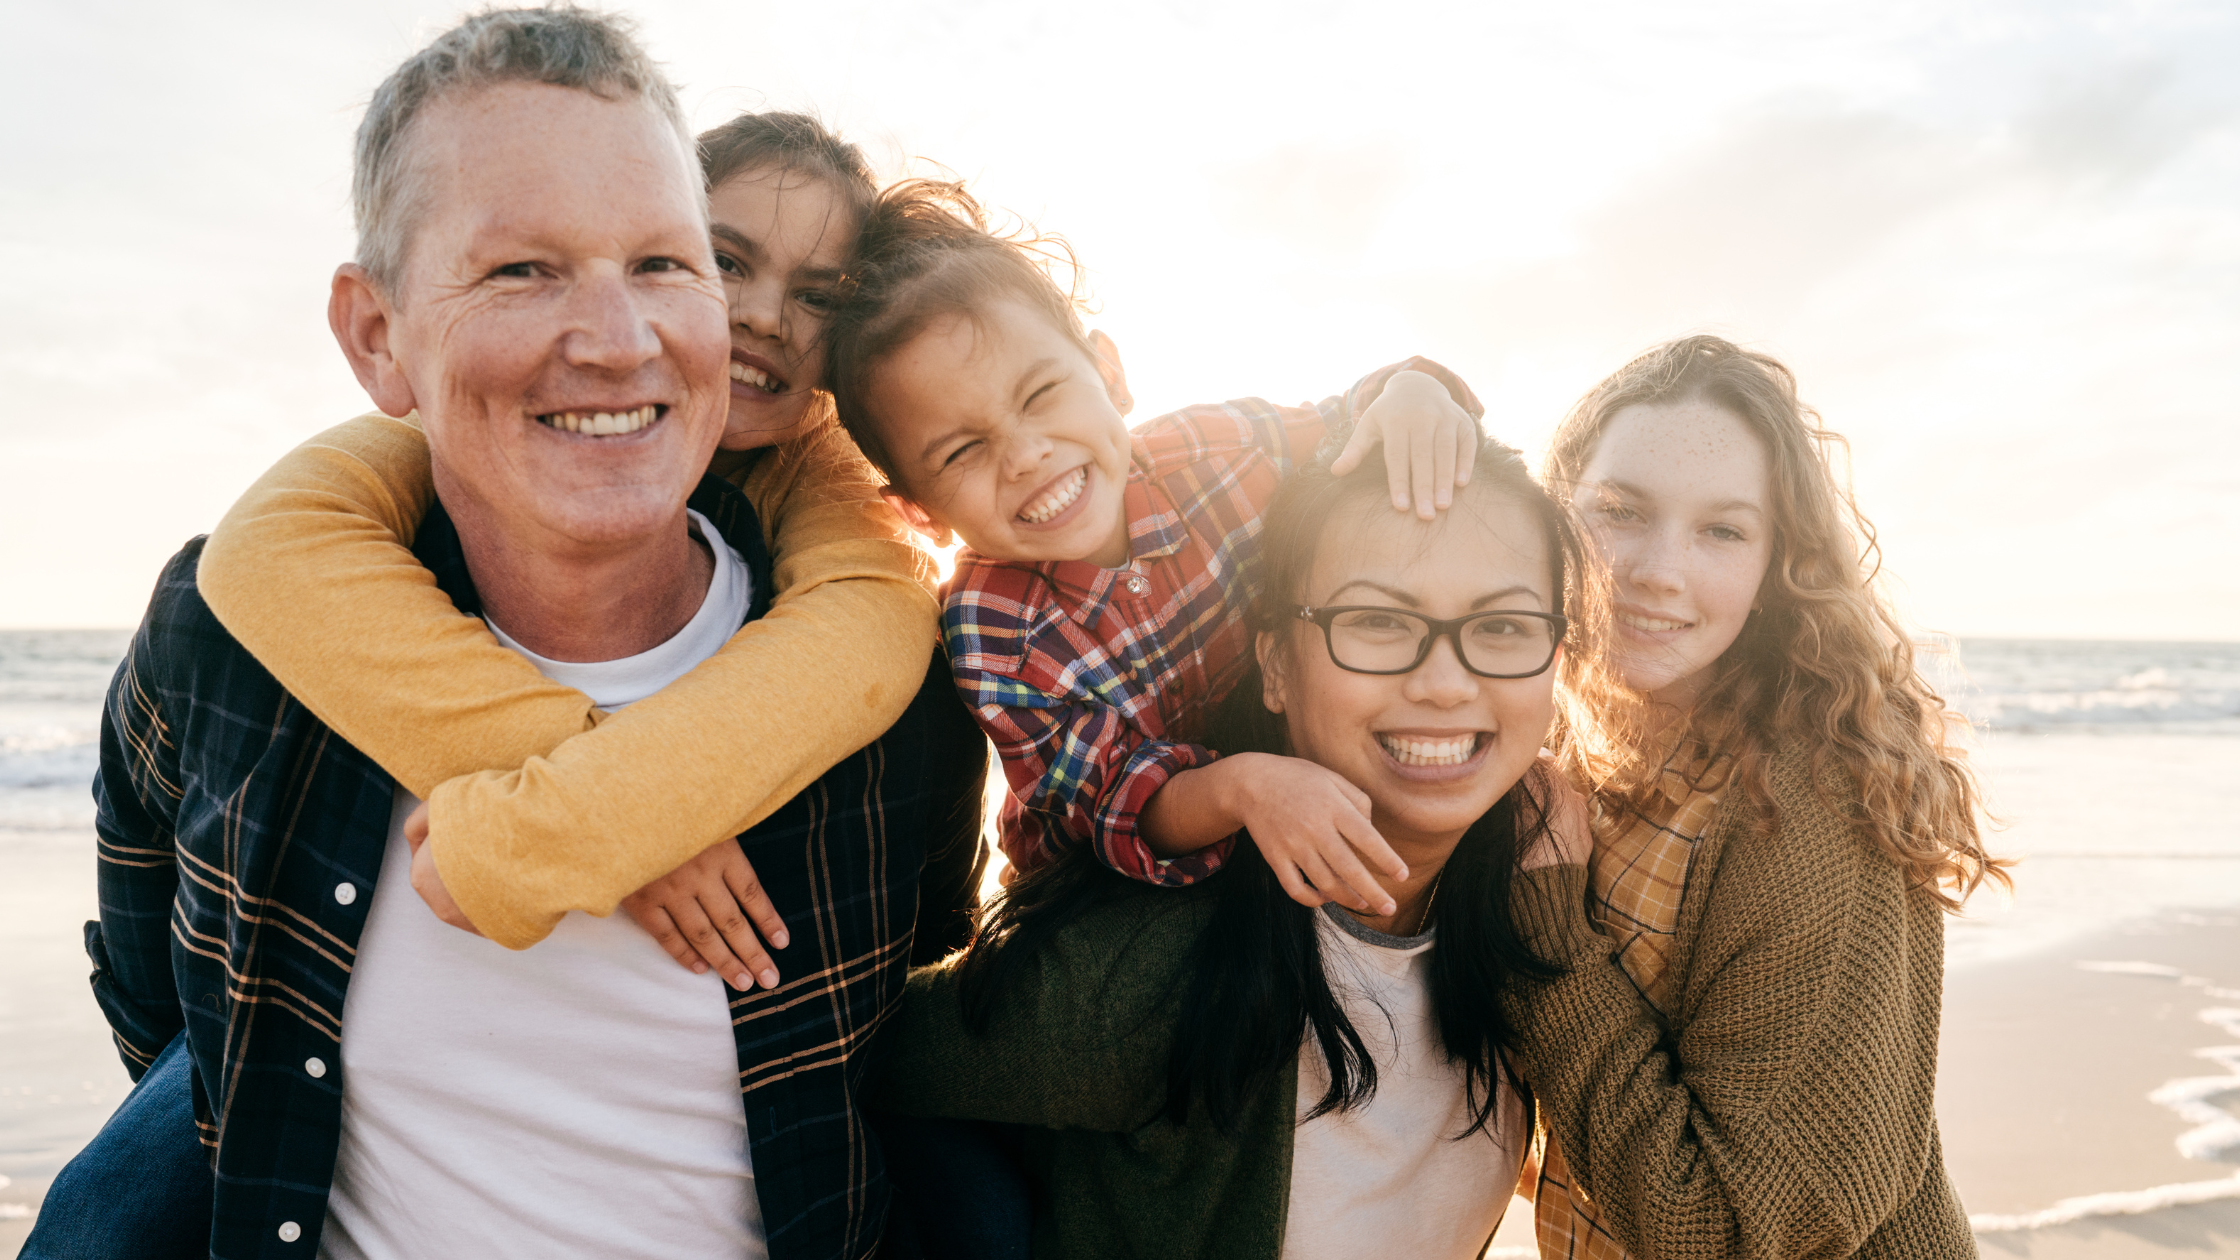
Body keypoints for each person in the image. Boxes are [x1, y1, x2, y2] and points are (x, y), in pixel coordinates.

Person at [34, 10, 984, 1259]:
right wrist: (596, 799)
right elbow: (163, 989)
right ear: (378, 337)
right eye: (521, 270)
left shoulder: (893, 681)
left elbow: (910, 1034)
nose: (615, 338)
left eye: (660, 264)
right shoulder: (232, 633)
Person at [865, 440, 1605, 1260]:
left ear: (1556, 664)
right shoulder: (1155, 974)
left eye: (1502, 626)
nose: (1444, 682)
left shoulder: (1542, 905)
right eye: (1377, 622)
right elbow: (872, 1062)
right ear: (1276, 667)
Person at [824, 179, 1486, 916]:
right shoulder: (992, 629)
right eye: (962, 451)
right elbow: (1119, 800)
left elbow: (1347, 423)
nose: (1025, 455)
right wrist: (1244, 786)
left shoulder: (1211, 449)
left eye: (1041, 395)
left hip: (1293, 790)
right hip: (1104, 892)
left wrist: (1411, 394)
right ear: (921, 515)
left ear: (1109, 373)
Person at [1511, 335, 2004, 1259]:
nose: (1660, 569)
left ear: (1777, 563)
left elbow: (1731, 1232)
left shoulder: (1808, 801)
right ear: (1553, 513)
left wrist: (1548, 936)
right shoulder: (1567, 746)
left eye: (1722, 530)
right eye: (1619, 510)